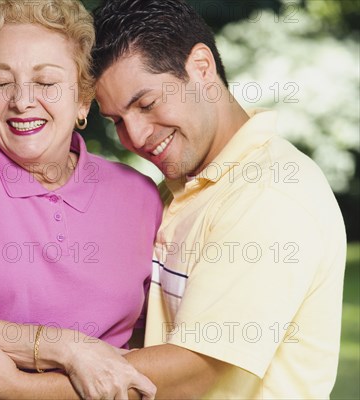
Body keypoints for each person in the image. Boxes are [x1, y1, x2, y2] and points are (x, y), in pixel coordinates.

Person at [0, 0, 161, 398]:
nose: (22, 101)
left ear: (83, 99)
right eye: (1, 83)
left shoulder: (140, 196)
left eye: (46, 82)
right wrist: (64, 348)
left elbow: (153, 347)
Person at [90, 0, 347, 398]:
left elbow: (198, 372)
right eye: (117, 121)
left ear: (202, 68)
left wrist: (17, 385)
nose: (136, 137)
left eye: (146, 104)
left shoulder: (271, 196)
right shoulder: (178, 188)